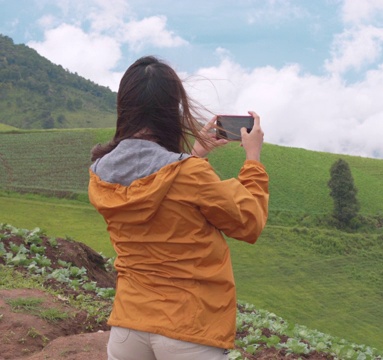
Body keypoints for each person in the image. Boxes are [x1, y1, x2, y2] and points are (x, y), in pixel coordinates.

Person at [88, 56, 269, 360]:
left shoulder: (100, 172)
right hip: (190, 328)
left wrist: (194, 154)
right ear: (173, 109)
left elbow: (157, 184)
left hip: (128, 327)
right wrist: (253, 159)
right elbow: (249, 222)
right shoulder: (190, 175)